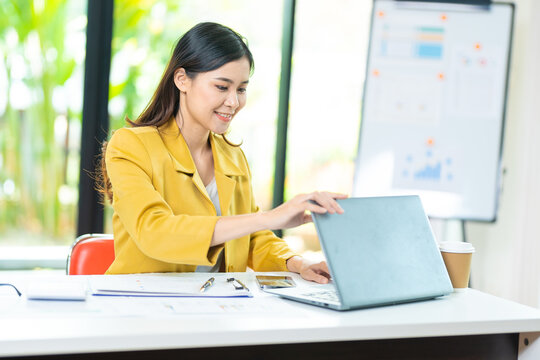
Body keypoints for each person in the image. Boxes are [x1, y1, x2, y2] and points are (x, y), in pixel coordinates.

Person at [100, 22, 347, 283]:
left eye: (241, 89)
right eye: (221, 87)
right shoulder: (131, 145)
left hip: (216, 307)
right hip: (143, 304)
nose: (233, 102)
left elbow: (250, 238)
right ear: (182, 79)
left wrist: (297, 263)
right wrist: (269, 217)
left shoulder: (233, 157)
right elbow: (154, 232)